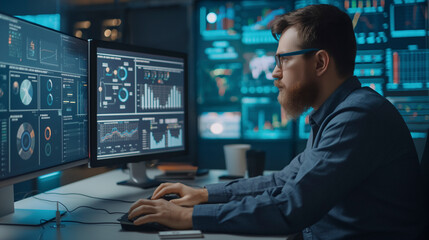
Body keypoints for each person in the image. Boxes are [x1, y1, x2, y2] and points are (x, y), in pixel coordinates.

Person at [128, 4, 428, 239]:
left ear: (320, 62)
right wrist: (205, 195)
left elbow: (290, 207)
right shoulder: (339, 111)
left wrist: (185, 217)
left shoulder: (357, 117)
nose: (274, 72)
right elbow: (284, 180)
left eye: (284, 60)